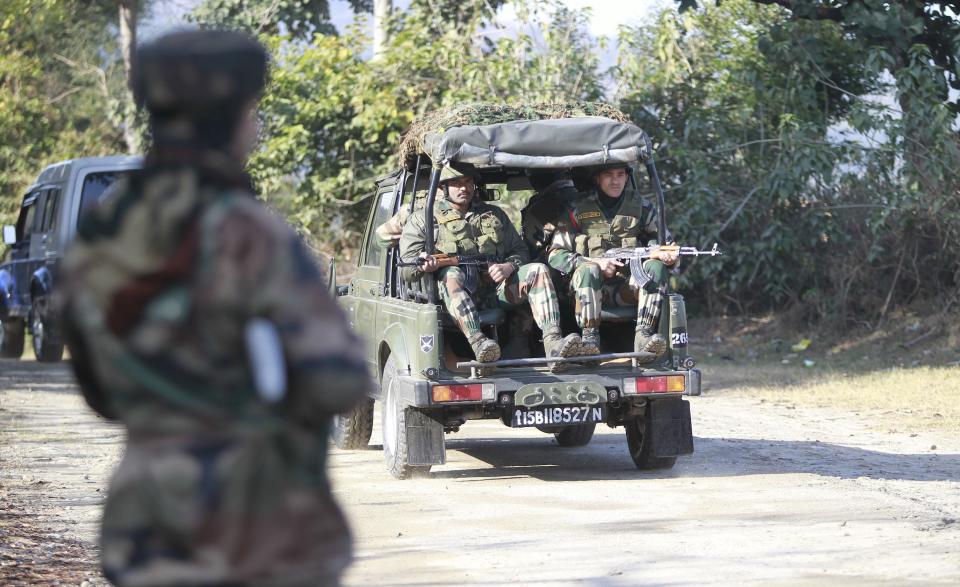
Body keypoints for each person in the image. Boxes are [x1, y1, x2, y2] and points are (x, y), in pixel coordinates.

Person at [57, 30, 371, 587]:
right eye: (252, 112)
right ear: (232, 118)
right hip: (257, 532)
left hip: (146, 530)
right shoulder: (248, 230)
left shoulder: (98, 236)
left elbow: (99, 392)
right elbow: (339, 381)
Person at [399, 167, 580, 366]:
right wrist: (425, 266)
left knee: (539, 270)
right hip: (450, 299)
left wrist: (509, 266)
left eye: (468, 182)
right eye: (457, 183)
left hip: (494, 292)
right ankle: (479, 344)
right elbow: (406, 268)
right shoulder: (423, 218)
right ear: (443, 187)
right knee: (451, 273)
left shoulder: (494, 215)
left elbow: (521, 251)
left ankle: (553, 343)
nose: (464, 188)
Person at [547, 164, 678, 359]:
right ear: (597, 178)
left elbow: (664, 244)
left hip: (627, 287)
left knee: (656, 266)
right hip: (586, 290)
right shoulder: (577, 209)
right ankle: (589, 341)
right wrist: (593, 262)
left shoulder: (642, 208)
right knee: (588, 270)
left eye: (620, 175)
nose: (615, 181)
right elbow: (555, 254)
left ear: (627, 177)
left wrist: (666, 256)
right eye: (608, 175)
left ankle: (644, 336)